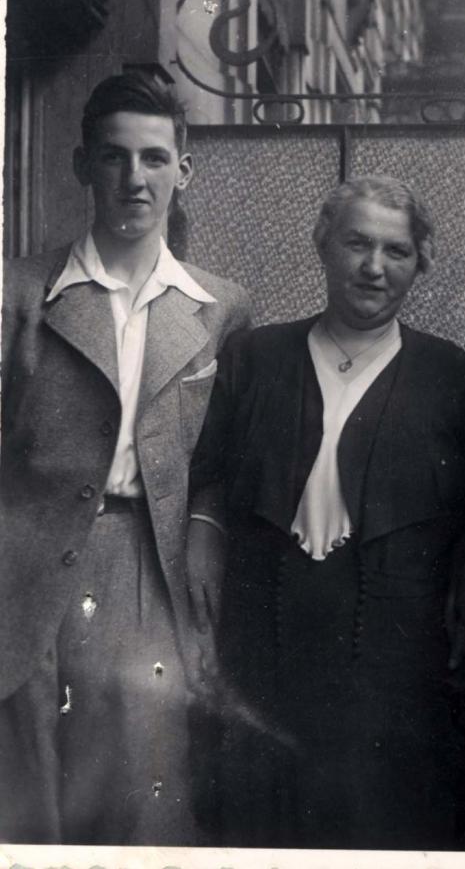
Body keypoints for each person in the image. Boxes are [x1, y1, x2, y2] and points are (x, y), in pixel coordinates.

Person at [0, 71, 251, 845]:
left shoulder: (222, 307)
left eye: (153, 157)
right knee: (30, 798)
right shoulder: (20, 293)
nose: (134, 178)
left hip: (151, 566)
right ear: (82, 166)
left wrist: (205, 523)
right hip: (27, 566)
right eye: (113, 157)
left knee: (144, 797)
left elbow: (225, 455)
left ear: (184, 167)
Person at [188, 175, 465, 850]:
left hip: (391, 664)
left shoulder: (452, 377)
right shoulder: (253, 359)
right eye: (356, 243)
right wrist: (203, 529)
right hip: (263, 649)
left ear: (419, 263)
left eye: (396, 250)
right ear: (323, 246)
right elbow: (206, 475)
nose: (374, 266)